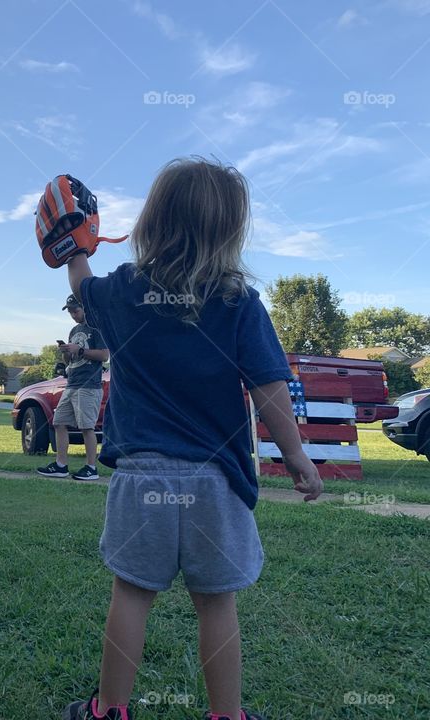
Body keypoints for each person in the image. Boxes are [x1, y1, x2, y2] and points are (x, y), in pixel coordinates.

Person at [56, 159, 323, 720]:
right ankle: (228, 714)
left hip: (140, 478)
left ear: (153, 220)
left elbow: (82, 284)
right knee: (215, 605)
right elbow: (269, 387)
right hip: (216, 481)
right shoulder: (238, 302)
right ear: (229, 229)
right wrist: (295, 455)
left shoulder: (126, 291)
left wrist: (74, 241)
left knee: (131, 595)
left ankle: (110, 711)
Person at [37, 295, 109, 480]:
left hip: (89, 386)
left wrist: (81, 350)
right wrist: (67, 353)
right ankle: (61, 465)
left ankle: (91, 468)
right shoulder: (74, 330)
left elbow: (104, 355)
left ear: (85, 308)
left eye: (75, 311)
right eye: (69, 312)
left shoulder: (97, 328)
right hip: (72, 383)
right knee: (59, 422)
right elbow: (71, 360)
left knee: (87, 427)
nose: (73, 315)